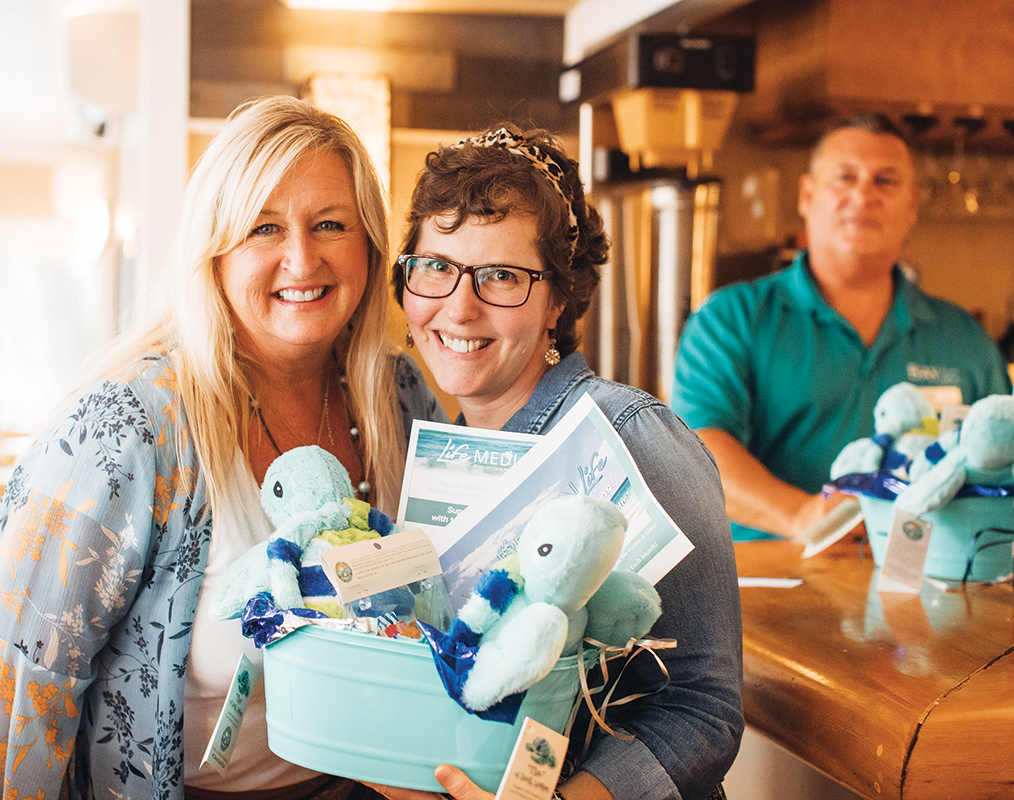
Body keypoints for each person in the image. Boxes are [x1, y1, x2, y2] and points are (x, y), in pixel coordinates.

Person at [0, 96, 446, 800]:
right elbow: (23, 685)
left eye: (330, 223)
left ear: (369, 245)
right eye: (264, 227)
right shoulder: (129, 427)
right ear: (213, 250)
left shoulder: (397, 392)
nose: (302, 257)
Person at [379, 126, 743, 800]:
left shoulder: (631, 435)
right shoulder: (434, 451)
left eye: (502, 276)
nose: (459, 306)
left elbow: (704, 711)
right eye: (436, 266)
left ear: (559, 299)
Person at [671, 113, 1012, 542]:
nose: (863, 194)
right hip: (767, 585)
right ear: (807, 196)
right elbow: (696, 449)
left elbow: (1003, 454)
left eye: (885, 181)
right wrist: (802, 517)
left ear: (912, 205)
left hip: (925, 582)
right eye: (845, 177)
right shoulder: (731, 319)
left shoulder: (963, 339)